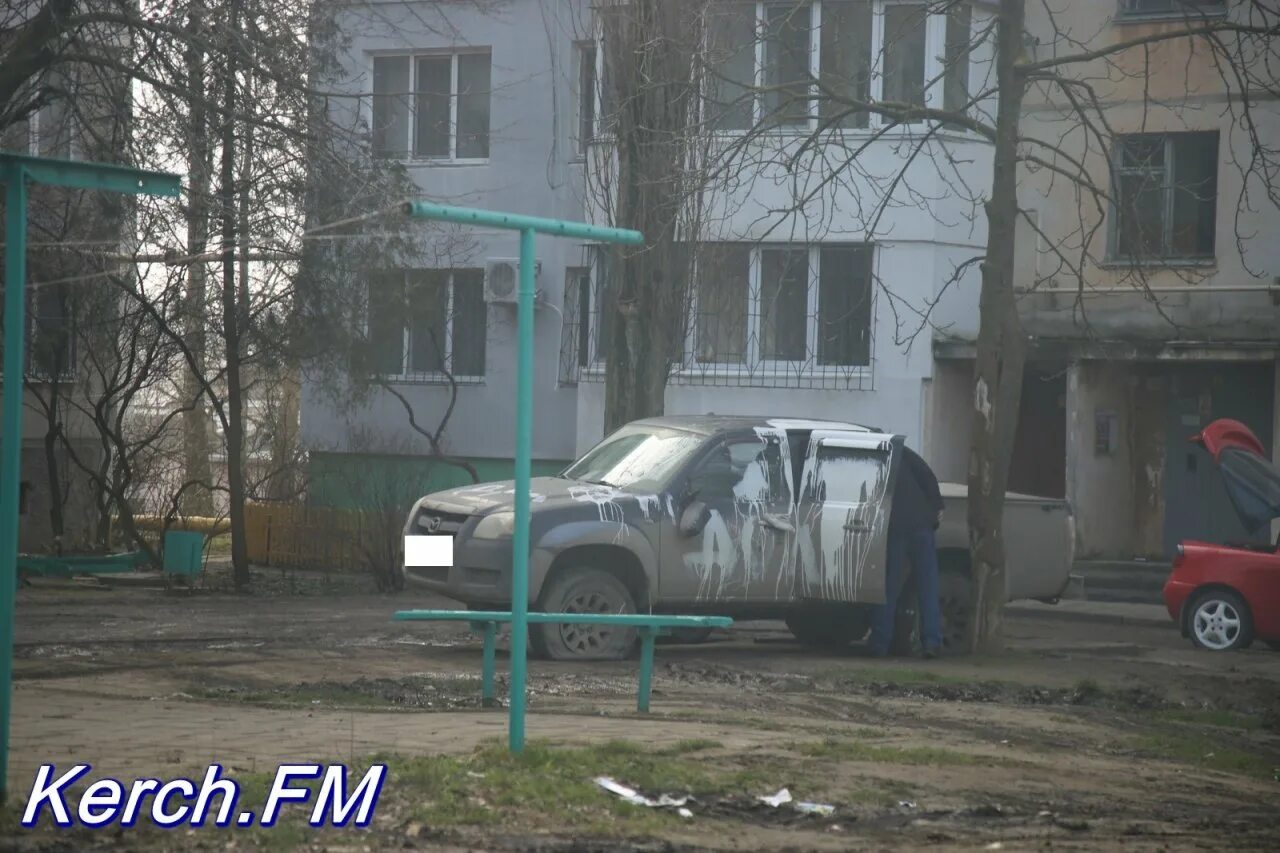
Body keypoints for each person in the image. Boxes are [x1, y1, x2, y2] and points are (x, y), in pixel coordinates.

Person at [868, 445, 944, 658]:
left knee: (887, 587)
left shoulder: (870, 457)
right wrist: (935, 509)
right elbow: (928, 477)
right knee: (928, 586)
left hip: (895, 527)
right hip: (921, 524)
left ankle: (880, 643)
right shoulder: (899, 450)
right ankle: (932, 642)